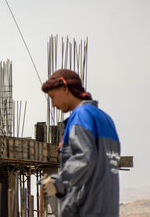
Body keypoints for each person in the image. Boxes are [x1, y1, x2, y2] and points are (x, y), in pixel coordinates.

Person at [40, 69, 121, 217]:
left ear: (65, 88)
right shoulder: (106, 120)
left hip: (85, 210)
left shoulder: (81, 116)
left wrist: (58, 182)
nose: (52, 104)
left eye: (52, 97)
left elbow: (84, 158)